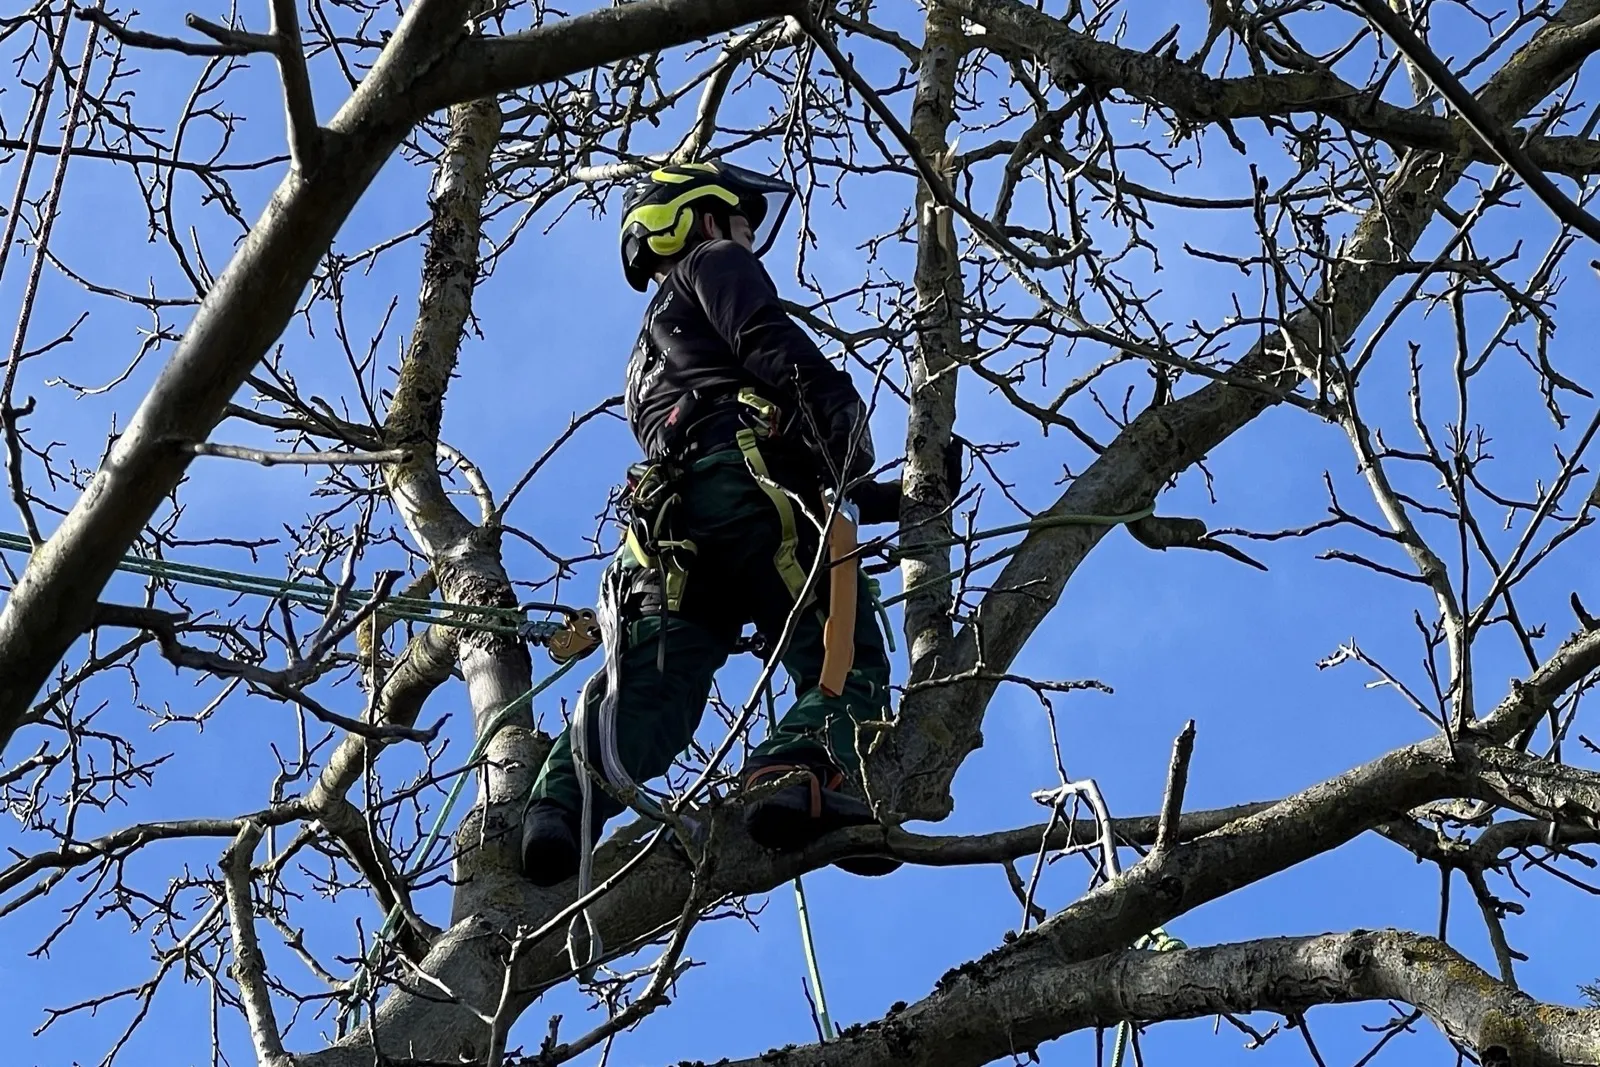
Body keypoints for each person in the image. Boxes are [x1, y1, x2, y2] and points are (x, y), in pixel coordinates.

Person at [520, 161, 951, 886]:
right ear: (700, 216)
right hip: (751, 491)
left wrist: (900, 499)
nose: (751, 237)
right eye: (742, 219)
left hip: (675, 532)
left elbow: (770, 456)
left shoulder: (648, 350)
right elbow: (764, 339)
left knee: (659, 680)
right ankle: (799, 769)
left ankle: (561, 805)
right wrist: (837, 402)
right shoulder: (714, 263)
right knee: (840, 642)